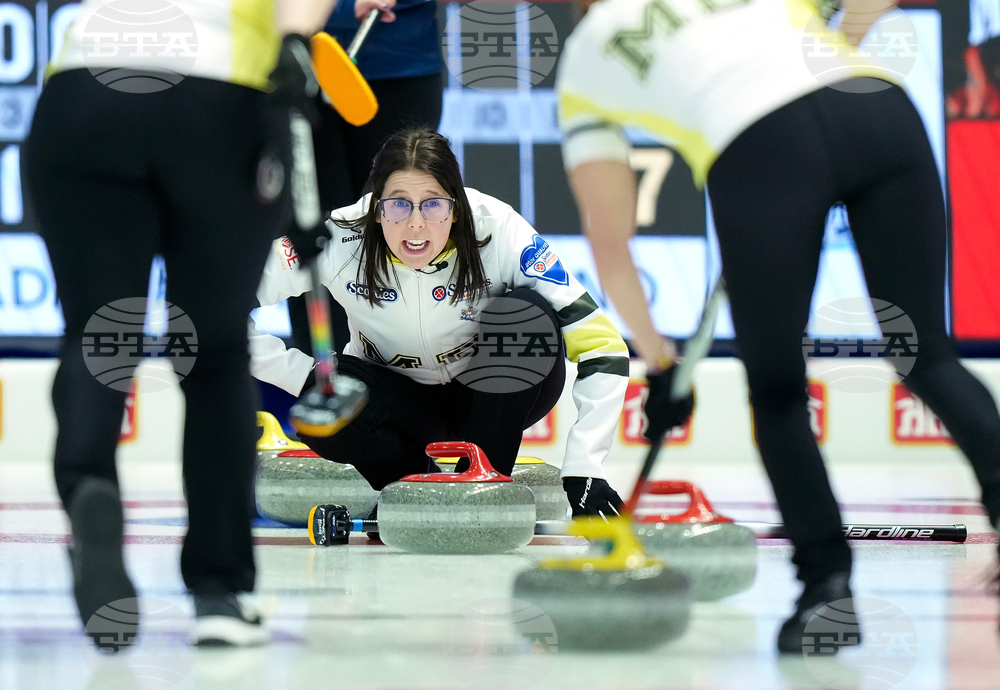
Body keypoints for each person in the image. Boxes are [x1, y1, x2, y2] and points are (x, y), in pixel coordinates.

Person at [554, 0, 1000, 652]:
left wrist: (658, 357)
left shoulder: (588, 53)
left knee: (779, 391)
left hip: (762, 147)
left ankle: (827, 592)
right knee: (926, 354)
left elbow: (609, 235)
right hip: (879, 106)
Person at [26, 0, 338, 648]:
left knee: (98, 331)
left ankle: (89, 487)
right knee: (215, 349)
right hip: (218, 98)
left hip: (85, 87)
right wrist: (296, 42)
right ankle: (218, 589)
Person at [251, 128, 630, 518]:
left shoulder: (499, 229)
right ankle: (413, 482)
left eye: (432, 205)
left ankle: (485, 482)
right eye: (398, 205)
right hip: (403, 407)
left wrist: (586, 469)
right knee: (320, 403)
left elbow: (603, 345)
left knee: (526, 313)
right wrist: (300, 372)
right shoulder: (339, 236)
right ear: (376, 207)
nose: (415, 225)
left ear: (456, 207)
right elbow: (224, 306)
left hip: (492, 397)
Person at [284, 0, 444, 360]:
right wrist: (341, 9)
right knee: (311, 230)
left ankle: (405, 374)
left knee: (400, 226)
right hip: (299, 65)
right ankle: (321, 377)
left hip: (403, 73)